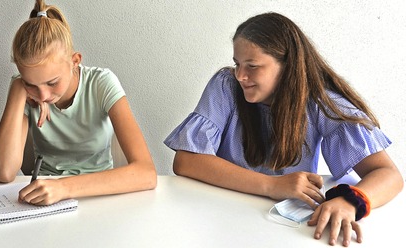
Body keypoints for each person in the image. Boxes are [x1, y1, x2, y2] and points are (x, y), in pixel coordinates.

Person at [164, 12, 402, 246]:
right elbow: (186, 160)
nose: (240, 75)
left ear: (287, 66)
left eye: (252, 66)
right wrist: (272, 186)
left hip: (284, 231)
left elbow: (388, 175)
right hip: (220, 217)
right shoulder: (226, 86)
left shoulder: (319, 102)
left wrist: (351, 202)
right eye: (237, 64)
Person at [0, 0, 156, 206]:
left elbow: (146, 173)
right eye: (30, 84)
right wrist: (17, 89)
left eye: (52, 82)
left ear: (75, 61)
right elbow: (3, 172)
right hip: (45, 195)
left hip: (99, 193)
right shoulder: (24, 91)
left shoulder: (101, 83)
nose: (42, 96)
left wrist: (64, 187)